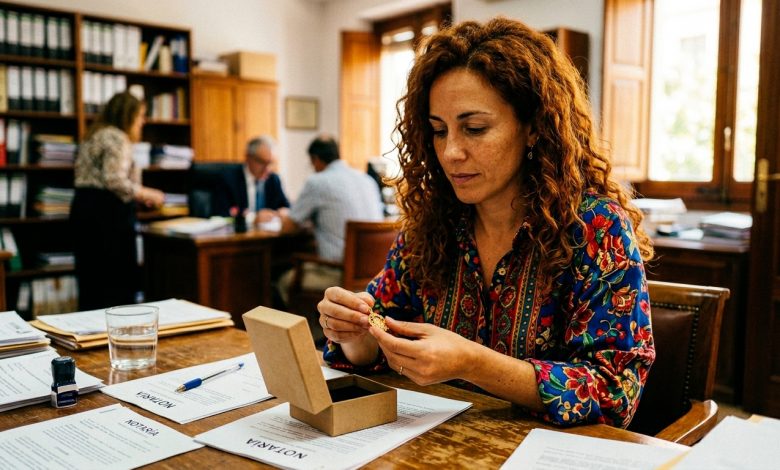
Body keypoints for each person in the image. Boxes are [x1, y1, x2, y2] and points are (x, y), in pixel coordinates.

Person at [317, 18, 656, 428]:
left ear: (533, 128)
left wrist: (474, 364)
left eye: (475, 128)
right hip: (439, 444)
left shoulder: (596, 228)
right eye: (438, 131)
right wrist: (356, 336)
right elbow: (378, 330)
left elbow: (615, 391)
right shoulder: (430, 226)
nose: (451, 152)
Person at [70, 91, 165, 310]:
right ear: (127, 115)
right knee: (116, 282)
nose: (142, 121)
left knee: (91, 281)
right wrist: (146, 193)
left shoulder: (95, 134)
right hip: (107, 216)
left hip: (84, 208)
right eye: (140, 115)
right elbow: (114, 179)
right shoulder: (117, 137)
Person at [273, 134, 384, 305]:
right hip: (372, 276)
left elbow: (287, 228)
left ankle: (306, 329)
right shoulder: (368, 180)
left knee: (281, 280)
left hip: (337, 273)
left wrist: (282, 216)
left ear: (315, 159)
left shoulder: (317, 182)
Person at [205, 136, 290, 220]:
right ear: (248, 158)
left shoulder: (274, 179)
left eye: (271, 163)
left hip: (267, 232)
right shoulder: (227, 178)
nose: (267, 169)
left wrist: (285, 211)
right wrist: (253, 218)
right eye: (262, 162)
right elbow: (221, 214)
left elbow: (286, 206)